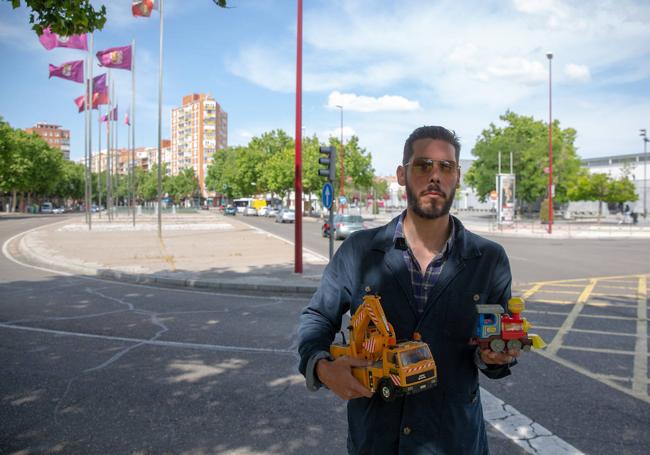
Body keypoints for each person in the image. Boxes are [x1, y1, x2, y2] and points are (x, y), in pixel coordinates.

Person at [297, 126, 520, 454]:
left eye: (446, 167)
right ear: (402, 175)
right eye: (423, 165)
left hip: (455, 442)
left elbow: (492, 353)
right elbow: (316, 318)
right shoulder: (359, 251)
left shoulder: (489, 259)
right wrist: (321, 367)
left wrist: (495, 356)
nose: (435, 176)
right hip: (376, 441)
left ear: (458, 177)